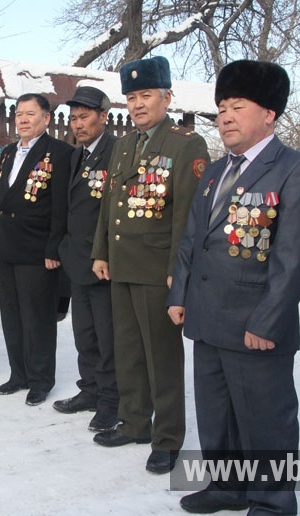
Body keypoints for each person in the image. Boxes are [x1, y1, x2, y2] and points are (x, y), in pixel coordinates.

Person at [168, 60, 300, 516]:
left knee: (264, 421)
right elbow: (192, 239)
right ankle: (227, 487)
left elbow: (294, 259)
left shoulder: (298, 171)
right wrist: (179, 295)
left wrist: (269, 319)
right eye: (221, 107)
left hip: (255, 323)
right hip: (208, 318)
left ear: (269, 114)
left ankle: (273, 501)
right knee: (216, 415)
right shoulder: (216, 172)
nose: (226, 116)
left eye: (238, 106)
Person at [91, 56, 209, 474]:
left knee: (161, 358)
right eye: (132, 97)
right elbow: (110, 205)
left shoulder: (185, 145)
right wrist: (101, 251)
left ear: (166, 97)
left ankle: (168, 437)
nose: (138, 104)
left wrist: (181, 271)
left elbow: (187, 216)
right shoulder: (124, 145)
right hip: (122, 264)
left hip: (159, 269)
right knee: (128, 352)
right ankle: (135, 421)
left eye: (146, 95)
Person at [0, 93, 73, 406]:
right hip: (9, 246)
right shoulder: (9, 152)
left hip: (39, 249)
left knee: (37, 318)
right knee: (11, 316)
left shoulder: (59, 153)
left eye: (30, 114)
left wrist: (54, 248)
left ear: (46, 118)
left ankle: (41, 379)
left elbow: (61, 207)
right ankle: (19, 374)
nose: (22, 120)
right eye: (18, 114)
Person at [54, 86, 119, 432]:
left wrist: (103, 253)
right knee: (84, 336)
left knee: (108, 339)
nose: (77, 125)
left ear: (103, 117)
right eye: (73, 118)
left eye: (84, 117)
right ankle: (90, 390)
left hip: (103, 264)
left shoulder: (117, 152)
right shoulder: (78, 155)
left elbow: (116, 213)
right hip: (78, 262)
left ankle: (111, 401)